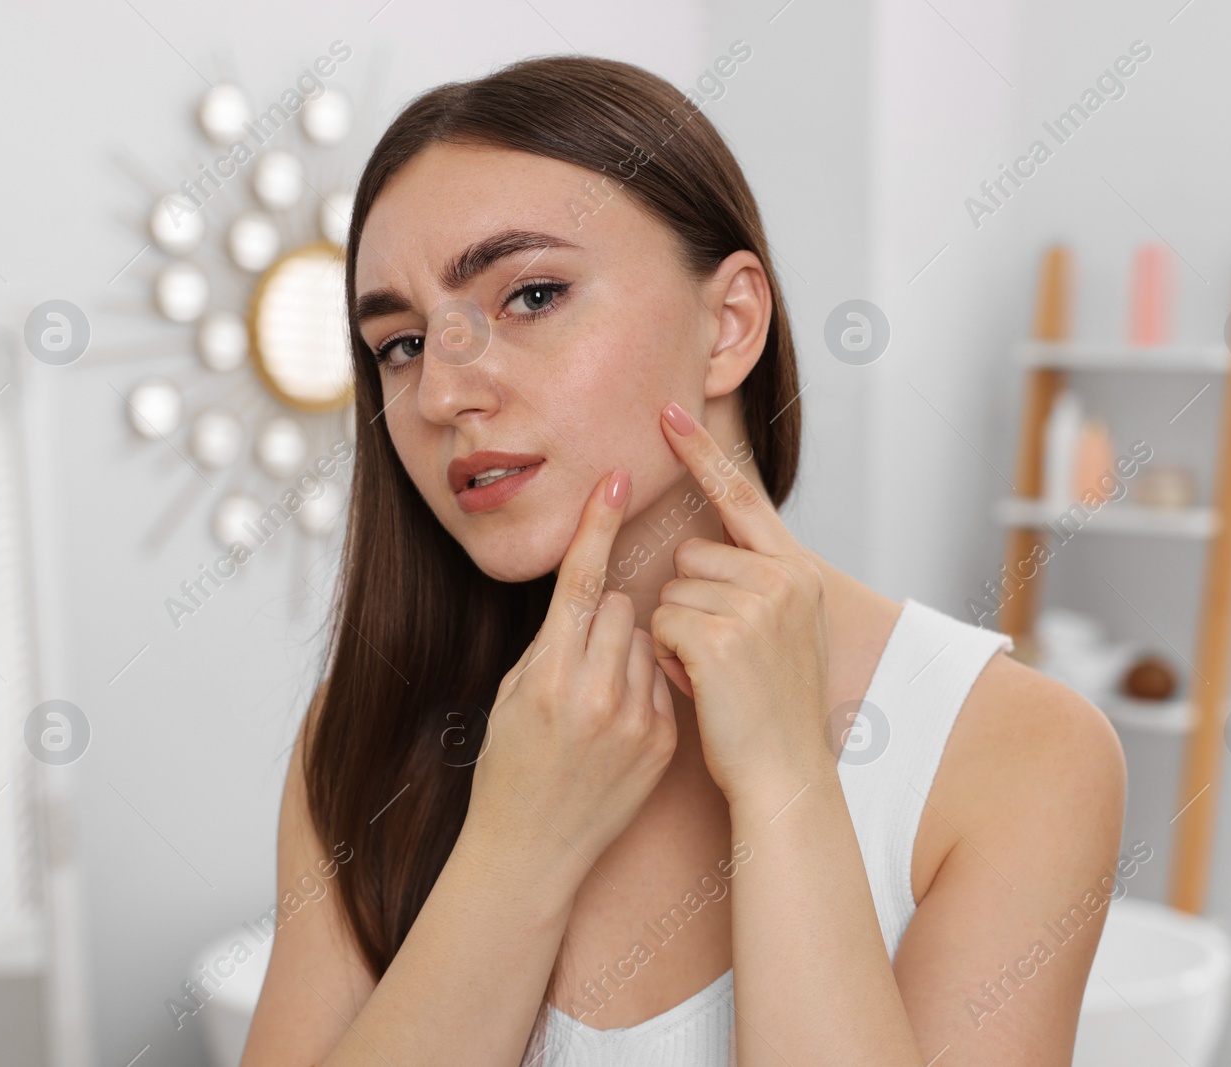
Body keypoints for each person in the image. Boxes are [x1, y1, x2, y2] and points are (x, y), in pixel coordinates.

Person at [243, 54, 1125, 1067]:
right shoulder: (367, 729)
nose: (442, 394)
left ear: (729, 323)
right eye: (399, 345)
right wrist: (514, 850)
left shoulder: (1022, 752)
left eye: (530, 293)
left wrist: (787, 779)